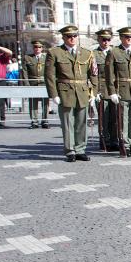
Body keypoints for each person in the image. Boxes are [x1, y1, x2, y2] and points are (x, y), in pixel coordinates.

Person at [44, 25, 97, 162]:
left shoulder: (87, 53)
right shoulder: (55, 52)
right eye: (69, 36)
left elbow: (94, 74)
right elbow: (49, 75)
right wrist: (53, 94)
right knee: (68, 122)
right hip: (65, 91)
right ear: (63, 37)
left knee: (81, 122)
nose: (72, 38)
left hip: (82, 91)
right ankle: (70, 150)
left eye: (74, 36)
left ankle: (80, 149)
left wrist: (94, 93)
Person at [104, 26, 131, 157]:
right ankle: (125, 145)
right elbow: (109, 74)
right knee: (123, 120)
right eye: (127, 37)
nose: (129, 39)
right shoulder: (114, 52)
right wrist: (112, 92)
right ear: (121, 38)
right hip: (121, 90)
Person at [93, 29, 117, 150]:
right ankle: (104, 141)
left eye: (108, 39)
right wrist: (95, 91)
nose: (106, 42)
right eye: (103, 39)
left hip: (114, 89)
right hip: (102, 89)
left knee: (115, 117)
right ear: (99, 40)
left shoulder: (115, 53)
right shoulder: (94, 54)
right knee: (104, 118)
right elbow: (93, 74)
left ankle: (114, 140)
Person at [21, 40, 49, 129]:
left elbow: (50, 71)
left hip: (44, 83)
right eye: (35, 47)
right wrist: (26, 84)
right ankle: (34, 121)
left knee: (45, 103)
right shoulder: (27, 58)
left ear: (42, 48)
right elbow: (24, 72)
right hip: (32, 82)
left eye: (39, 47)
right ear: (33, 48)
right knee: (33, 103)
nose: (37, 49)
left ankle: (45, 120)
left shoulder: (46, 57)